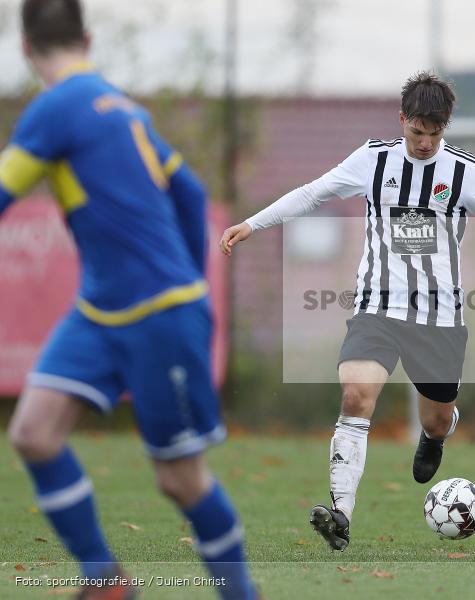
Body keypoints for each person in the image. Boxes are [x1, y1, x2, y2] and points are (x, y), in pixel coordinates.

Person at [220, 72, 475, 551]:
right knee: (356, 396)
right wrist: (253, 223)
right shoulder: (372, 160)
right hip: (377, 306)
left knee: (435, 419)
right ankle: (341, 514)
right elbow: (314, 192)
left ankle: (438, 435)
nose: (425, 143)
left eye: (435, 134)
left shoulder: (464, 171)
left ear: (445, 128)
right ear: (402, 121)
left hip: (439, 317)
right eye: (417, 132)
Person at [1, 2, 256, 598]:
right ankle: (106, 581)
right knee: (34, 432)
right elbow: (190, 193)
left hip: (159, 317)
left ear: (24, 48)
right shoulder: (125, 109)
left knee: (180, 480)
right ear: (87, 38)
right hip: (101, 310)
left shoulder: (56, 107)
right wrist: (189, 280)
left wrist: (175, 295)